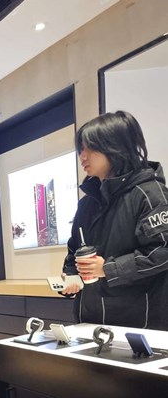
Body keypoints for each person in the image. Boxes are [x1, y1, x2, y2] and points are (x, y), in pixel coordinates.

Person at [62, 110, 168, 328]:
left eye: (89, 148)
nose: (82, 156)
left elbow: (162, 252)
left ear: (114, 147)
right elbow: (74, 251)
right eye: (81, 149)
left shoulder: (150, 195)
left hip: (139, 324)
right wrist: (71, 277)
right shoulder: (87, 203)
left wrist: (109, 269)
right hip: (89, 322)